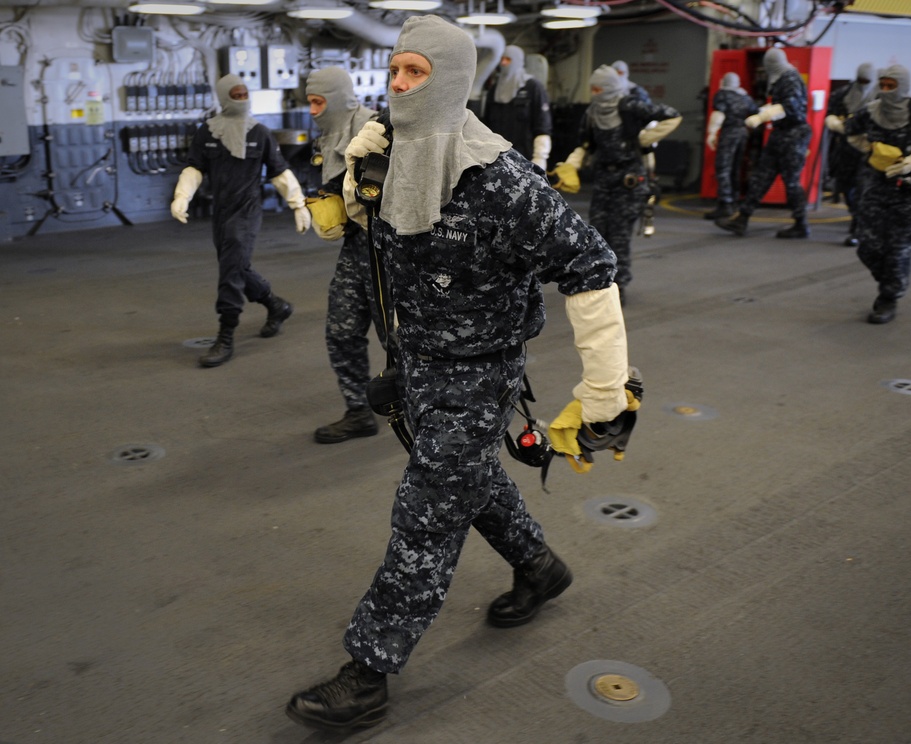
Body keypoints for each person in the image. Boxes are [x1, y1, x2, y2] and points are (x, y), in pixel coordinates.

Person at [284, 15, 636, 732]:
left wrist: (604, 391)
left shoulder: (497, 178)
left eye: (418, 72)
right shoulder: (388, 152)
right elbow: (375, 252)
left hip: (479, 375)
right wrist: (350, 185)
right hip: (416, 364)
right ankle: (539, 566)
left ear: (450, 79)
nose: (401, 85)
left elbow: (591, 263)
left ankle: (371, 670)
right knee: (467, 482)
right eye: (396, 70)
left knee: (425, 513)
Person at [171, 74, 310, 368]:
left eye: (245, 93)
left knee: (231, 267)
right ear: (223, 97)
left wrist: (298, 204)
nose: (242, 98)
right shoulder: (207, 132)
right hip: (220, 211)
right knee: (235, 265)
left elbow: (279, 172)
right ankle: (276, 305)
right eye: (235, 94)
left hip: (247, 211)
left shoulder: (259, 133)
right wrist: (182, 196)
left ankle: (226, 333)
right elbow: (194, 168)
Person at [831, 64, 911, 324]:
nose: (886, 91)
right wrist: (871, 149)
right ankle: (888, 282)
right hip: (875, 188)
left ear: (904, 86)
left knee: (899, 249)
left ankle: (888, 297)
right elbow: (851, 133)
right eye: (883, 85)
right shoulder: (871, 111)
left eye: (891, 86)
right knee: (867, 247)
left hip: (910, 192)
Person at [550, 64, 682, 304]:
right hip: (604, 180)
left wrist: (644, 139)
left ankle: (619, 285)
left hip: (629, 182)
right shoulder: (593, 112)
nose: (595, 93)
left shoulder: (629, 106)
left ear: (610, 88)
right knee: (597, 233)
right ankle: (601, 282)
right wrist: (571, 165)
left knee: (619, 236)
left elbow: (672, 115)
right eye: (593, 89)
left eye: (599, 88)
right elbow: (585, 144)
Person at [304, 66, 385, 444]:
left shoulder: (377, 132)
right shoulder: (326, 136)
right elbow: (331, 182)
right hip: (357, 248)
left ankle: (424, 413)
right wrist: (327, 207)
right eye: (309, 103)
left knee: (399, 338)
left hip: (390, 249)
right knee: (341, 329)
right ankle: (358, 411)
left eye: (319, 102)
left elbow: (387, 194)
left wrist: (352, 206)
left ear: (336, 98)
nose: (313, 111)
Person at [715, 47, 812, 239]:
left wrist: (763, 117)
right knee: (761, 176)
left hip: (793, 135)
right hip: (781, 134)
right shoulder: (783, 78)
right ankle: (742, 218)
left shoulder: (790, 79)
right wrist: (763, 112)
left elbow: (789, 107)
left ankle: (801, 224)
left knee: (791, 182)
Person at [824, 62, 876, 245]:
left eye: (867, 81)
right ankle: (855, 213)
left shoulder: (880, 97)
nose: (863, 84)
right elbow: (830, 113)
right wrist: (835, 123)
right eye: (861, 80)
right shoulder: (843, 94)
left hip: (869, 151)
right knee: (845, 186)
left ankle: (859, 228)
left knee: (864, 189)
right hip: (846, 149)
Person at [481, 44, 553, 170]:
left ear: (517, 61)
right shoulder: (494, 90)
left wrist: (540, 157)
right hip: (497, 159)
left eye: (508, 60)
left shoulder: (533, 87)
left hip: (525, 158)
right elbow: (486, 125)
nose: (503, 63)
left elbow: (542, 125)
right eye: (502, 59)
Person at [704, 71, 759, 220]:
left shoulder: (722, 95)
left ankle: (725, 204)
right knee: (735, 168)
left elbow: (718, 115)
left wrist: (712, 133)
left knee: (722, 167)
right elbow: (756, 113)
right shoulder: (745, 97)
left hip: (729, 132)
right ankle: (734, 201)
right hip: (743, 133)